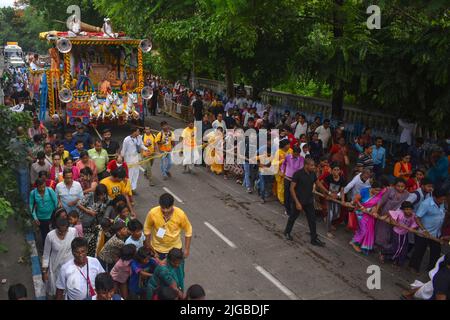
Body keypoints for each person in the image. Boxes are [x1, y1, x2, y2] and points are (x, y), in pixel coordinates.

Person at [284, 158, 325, 246]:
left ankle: (314, 239)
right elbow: (291, 189)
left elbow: (318, 183)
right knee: (293, 217)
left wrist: (327, 192)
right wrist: (297, 203)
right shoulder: (298, 174)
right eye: (312, 165)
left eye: (314, 165)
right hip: (298, 201)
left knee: (312, 220)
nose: (314, 167)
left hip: (309, 201)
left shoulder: (312, 173)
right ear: (306, 165)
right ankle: (287, 232)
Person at [143, 193, 192, 260]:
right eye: (163, 208)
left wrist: (187, 249)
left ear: (172, 205)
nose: (165, 211)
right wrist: (148, 244)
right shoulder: (152, 213)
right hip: (157, 248)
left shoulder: (180, 214)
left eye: (168, 208)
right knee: (159, 269)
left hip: (175, 248)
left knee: (175, 269)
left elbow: (188, 230)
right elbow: (147, 227)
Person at [409, 188, 447, 273]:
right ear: (435, 197)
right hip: (424, 232)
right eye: (441, 199)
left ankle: (432, 270)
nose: (443, 200)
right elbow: (417, 217)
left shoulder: (442, 203)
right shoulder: (426, 204)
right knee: (419, 251)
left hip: (436, 233)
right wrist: (424, 229)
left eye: (444, 199)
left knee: (436, 252)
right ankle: (413, 267)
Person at [374, 178, 410, 258]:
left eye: (402, 186)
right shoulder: (390, 190)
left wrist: (389, 215)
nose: (400, 188)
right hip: (383, 213)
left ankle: (385, 249)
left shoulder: (407, 194)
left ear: (405, 187)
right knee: (381, 230)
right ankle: (378, 245)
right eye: (398, 186)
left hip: (395, 215)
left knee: (390, 232)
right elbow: (382, 200)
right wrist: (376, 211)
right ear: (394, 185)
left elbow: (400, 207)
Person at [42, 218, 77, 299]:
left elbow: (76, 247)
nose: (62, 233)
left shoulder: (73, 232)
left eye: (65, 231)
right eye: (60, 231)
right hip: (56, 268)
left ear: (68, 228)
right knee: (58, 290)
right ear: (56, 228)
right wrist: (44, 272)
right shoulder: (50, 236)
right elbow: (46, 255)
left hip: (70, 267)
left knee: (70, 288)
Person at [380, 201, 423, 266]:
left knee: (403, 248)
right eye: (407, 209)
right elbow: (390, 212)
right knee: (396, 247)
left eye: (410, 209)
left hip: (404, 233)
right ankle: (383, 253)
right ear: (403, 210)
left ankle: (397, 261)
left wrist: (412, 228)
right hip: (397, 232)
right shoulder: (400, 213)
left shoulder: (413, 215)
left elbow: (414, 223)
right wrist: (393, 220)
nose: (409, 211)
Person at [350, 181, 386, 254]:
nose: (377, 192)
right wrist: (362, 207)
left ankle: (363, 245)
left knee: (369, 230)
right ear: (371, 188)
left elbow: (377, 204)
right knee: (363, 230)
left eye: (379, 190)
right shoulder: (365, 191)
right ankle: (354, 243)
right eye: (376, 190)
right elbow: (356, 199)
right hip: (360, 212)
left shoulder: (380, 194)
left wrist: (375, 209)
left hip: (370, 214)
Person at [77, 184, 109, 257]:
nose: (102, 197)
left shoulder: (106, 199)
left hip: (95, 223)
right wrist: (88, 211)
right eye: (100, 195)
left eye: (103, 195)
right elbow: (78, 204)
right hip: (85, 221)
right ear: (96, 193)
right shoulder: (90, 196)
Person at [316, 162, 346, 238]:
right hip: (329, 198)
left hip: (336, 198)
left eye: (338, 170)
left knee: (337, 214)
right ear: (332, 171)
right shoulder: (329, 177)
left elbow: (342, 191)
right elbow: (319, 183)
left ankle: (327, 219)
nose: (336, 172)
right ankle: (328, 231)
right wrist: (327, 193)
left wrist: (342, 200)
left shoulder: (342, 179)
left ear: (340, 171)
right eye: (334, 170)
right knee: (331, 214)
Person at [10, 127, 33, 204]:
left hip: (15, 166)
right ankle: (26, 203)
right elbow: (30, 152)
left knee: (19, 184)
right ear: (22, 132)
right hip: (23, 166)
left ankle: (21, 201)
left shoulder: (12, 141)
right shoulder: (24, 141)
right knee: (24, 185)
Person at [121, 127, 148, 192]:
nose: (139, 132)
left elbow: (141, 144)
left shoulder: (139, 137)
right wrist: (122, 159)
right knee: (130, 174)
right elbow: (123, 150)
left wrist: (146, 149)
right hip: (129, 159)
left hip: (136, 158)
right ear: (134, 132)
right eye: (138, 131)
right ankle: (128, 188)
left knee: (136, 173)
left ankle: (133, 188)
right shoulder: (127, 139)